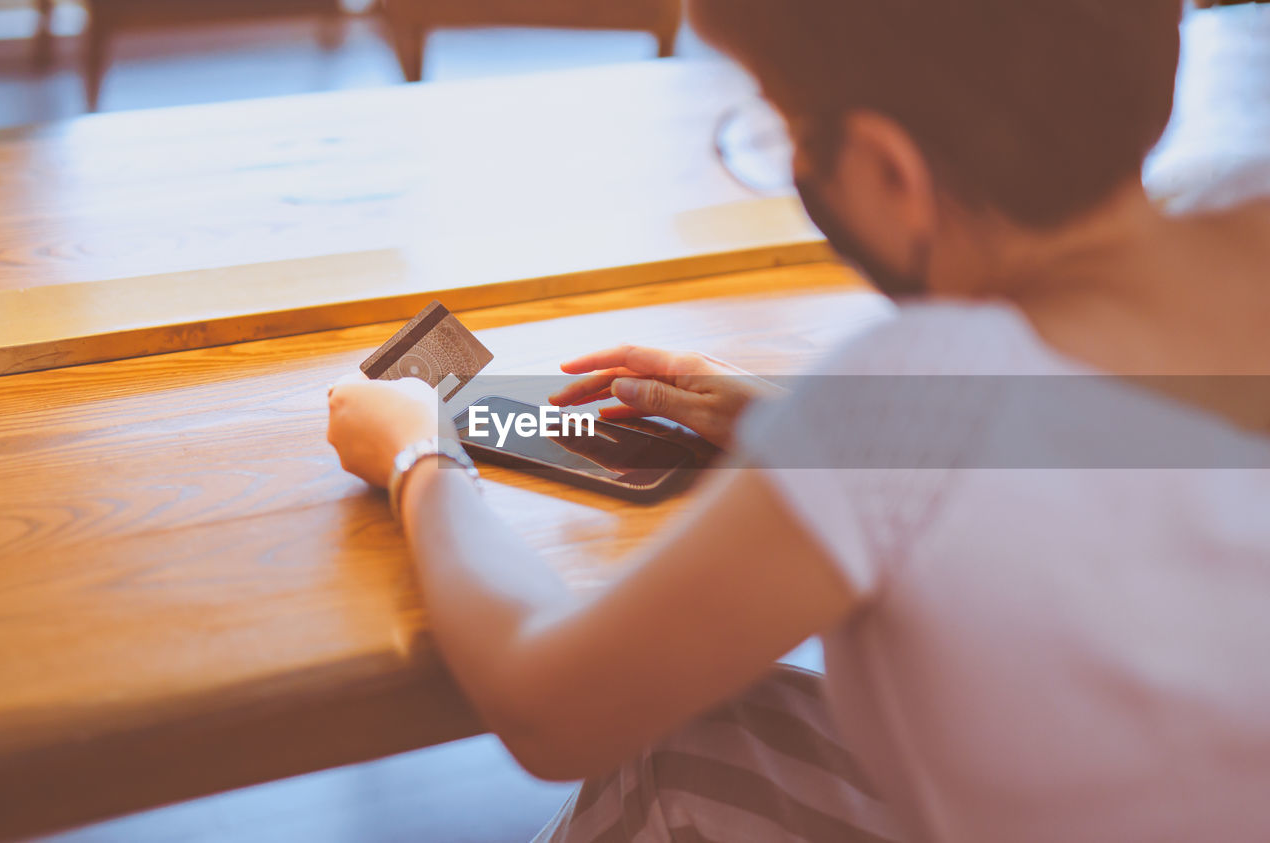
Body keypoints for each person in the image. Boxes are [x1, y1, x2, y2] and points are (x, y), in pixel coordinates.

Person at [327, 1, 1270, 840]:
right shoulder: (1249, 222)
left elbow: (549, 708)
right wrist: (801, 427)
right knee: (700, 732)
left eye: (784, 136)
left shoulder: (913, 394)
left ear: (889, 170)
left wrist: (422, 450)